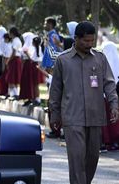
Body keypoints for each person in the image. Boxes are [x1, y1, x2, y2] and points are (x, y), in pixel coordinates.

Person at [49, 21, 119, 184]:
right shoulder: (63, 60)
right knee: (77, 160)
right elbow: (55, 90)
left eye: (91, 41)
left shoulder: (100, 58)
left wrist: (114, 104)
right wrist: (54, 115)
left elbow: (109, 83)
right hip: (72, 118)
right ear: (76, 39)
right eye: (85, 41)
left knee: (92, 158)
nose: (89, 44)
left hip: (96, 117)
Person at [101, 40, 119, 151]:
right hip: (116, 95)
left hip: (105, 96)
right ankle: (116, 141)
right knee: (115, 120)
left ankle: (107, 141)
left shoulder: (102, 63)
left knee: (106, 119)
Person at [6, 27, 23, 98]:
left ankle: (14, 94)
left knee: (12, 77)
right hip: (16, 59)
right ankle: (13, 93)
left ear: (12, 33)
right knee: (14, 77)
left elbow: (13, 53)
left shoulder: (15, 41)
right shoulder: (16, 40)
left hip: (14, 59)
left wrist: (8, 61)